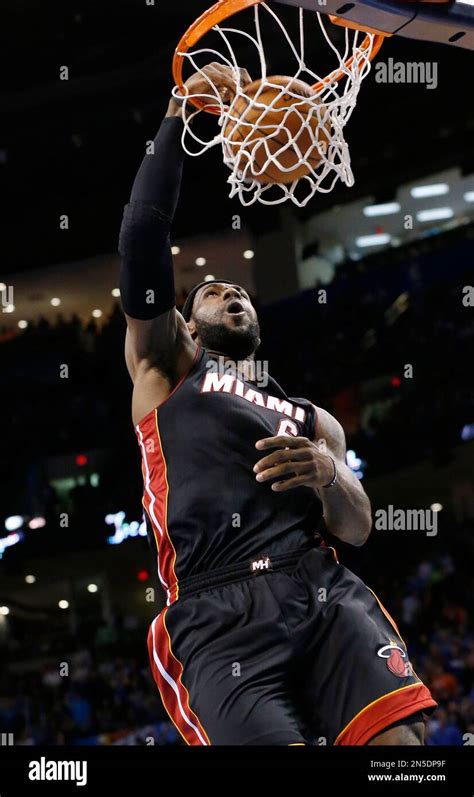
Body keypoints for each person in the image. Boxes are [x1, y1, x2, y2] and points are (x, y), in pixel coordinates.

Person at [118, 62, 436, 745]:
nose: (231, 294)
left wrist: (329, 474)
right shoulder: (167, 368)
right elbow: (144, 234)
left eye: (241, 292)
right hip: (216, 607)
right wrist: (179, 114)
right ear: (186, 322)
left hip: (320, 587)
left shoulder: (310, 416)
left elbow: (356, 526)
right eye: (212, 292)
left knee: (406, 754)